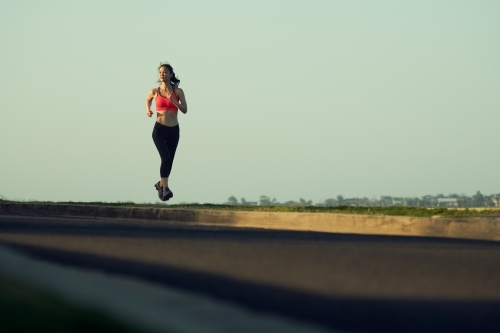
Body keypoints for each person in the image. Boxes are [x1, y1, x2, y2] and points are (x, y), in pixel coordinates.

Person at [146, 63, 188, 201]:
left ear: (171, 74)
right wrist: (148, 110)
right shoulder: (154, 91)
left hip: (174, 131)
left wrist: (173, 100)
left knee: (170, 161)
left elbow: (184, 110)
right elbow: (148, 100)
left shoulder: (178, 91)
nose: (162, 74)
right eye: (160, 72)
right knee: (165, 158)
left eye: (165, 72)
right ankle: (165, 188)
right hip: (159, 130)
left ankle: (160, 184)